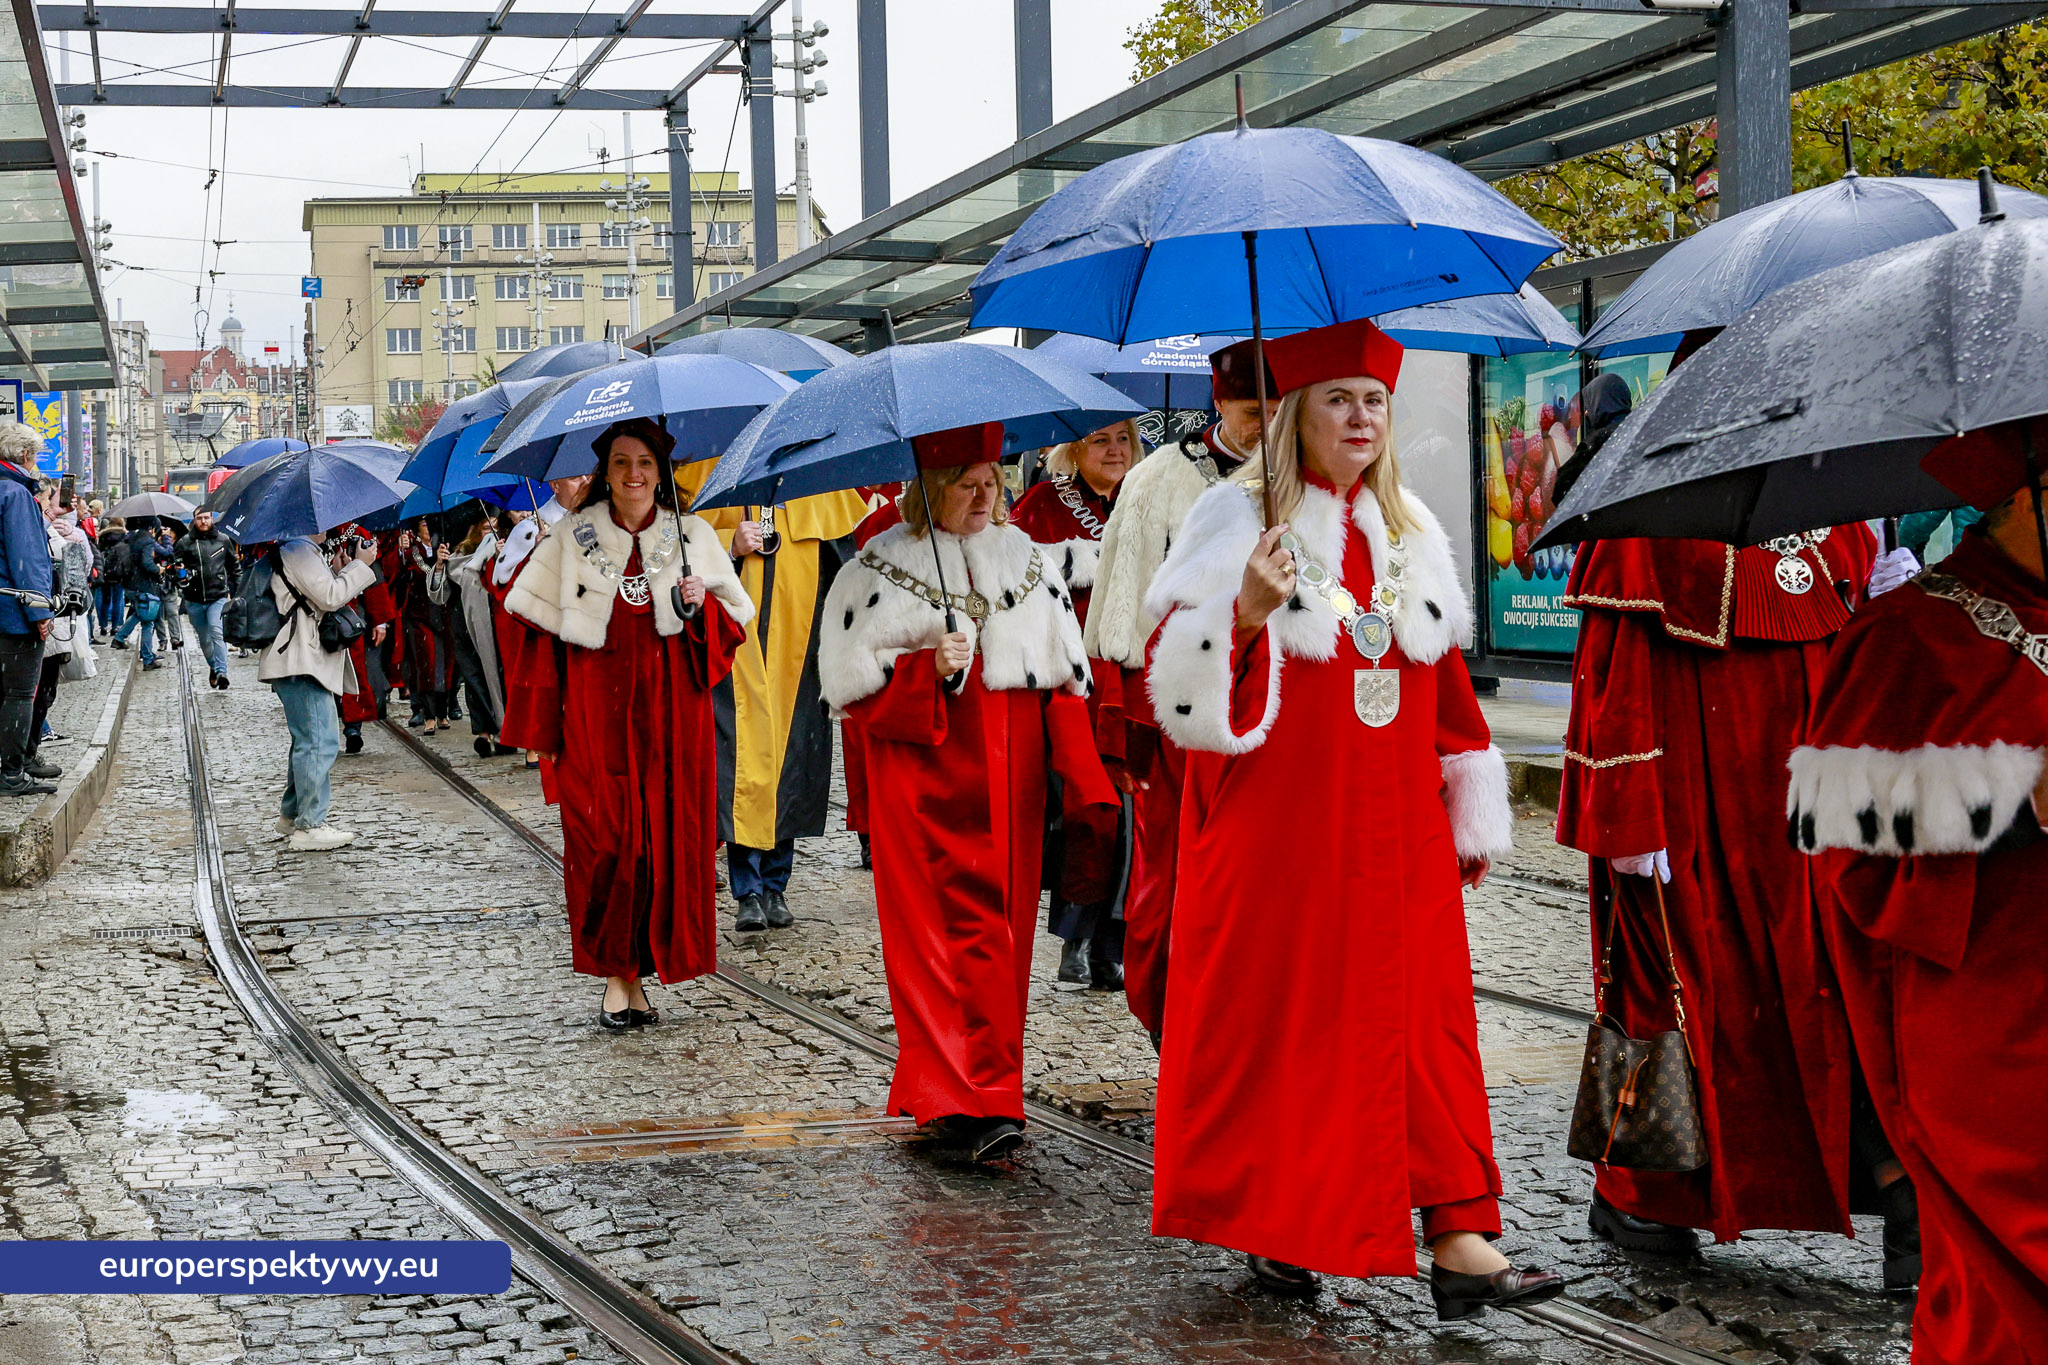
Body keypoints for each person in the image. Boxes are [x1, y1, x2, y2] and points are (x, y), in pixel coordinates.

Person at [1144, 320, 1557, 1315]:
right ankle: (1282, 1220)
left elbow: (1443, 680)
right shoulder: (1230, 521)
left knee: (1425, 1033)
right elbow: (1181, 703)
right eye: (1338, 398)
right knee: (1295, 1031)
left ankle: (1460, 1234)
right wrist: (1238, 614)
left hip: (1397, 834)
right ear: (1293, 412)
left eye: (1373, 400)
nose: (1362, 416)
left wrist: (1468, 795)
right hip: (1283, 837)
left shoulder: (1408, 526)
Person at [1554, 346, 1923, 1272]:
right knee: (1677, 991)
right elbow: (1617, 675)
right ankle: (1654, 1191)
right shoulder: (1661, 505)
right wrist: (1629, 813)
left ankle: (1884, 1180)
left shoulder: (1826, 505)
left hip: (1784, 801)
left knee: (1811, 990)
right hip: (1695, 799)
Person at [1789, 418, 2048, 1363]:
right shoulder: (1907, 634)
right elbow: (1832, 821)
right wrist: (2010, 794)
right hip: (1990, 1029)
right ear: (2025, 496)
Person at [819, 422, 1117, 1165]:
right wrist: (923, 667)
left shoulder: (1026, 559)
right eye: (967, 483)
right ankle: (953, 1096)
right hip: (918, 786)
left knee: (1001, 940)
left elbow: (1062, 677)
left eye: (993, 480)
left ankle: (991, 1093)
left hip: (1009, 786)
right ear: (931, 487)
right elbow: (849, 690)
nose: (985, 496)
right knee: (931, 946)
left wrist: (1089, 787)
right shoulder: (874, 569)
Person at [500, 418, 751, 1031]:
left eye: (644, 463)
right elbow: (539, 644)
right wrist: (544, 735)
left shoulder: (692, 537)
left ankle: (641, 974)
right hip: (596, 722)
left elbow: (728, 637)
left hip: (673, 725)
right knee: (610, 845)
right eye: (620, 463)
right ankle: (619, 975)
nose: (633, 475)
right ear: (604, 473)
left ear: (660, 471)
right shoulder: (567, 539)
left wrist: (700, 608)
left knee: (666, 845)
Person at [1082, 339, 1268, 1041]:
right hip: (1179, 719)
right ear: (1218, 401)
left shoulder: (1299, 479)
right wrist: (1124, 725)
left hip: (1269, 714)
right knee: (1175, 875)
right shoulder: (1159, 478)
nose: (1263, 425)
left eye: (1276, 409)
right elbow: (1123, 607)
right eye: (1251, 410)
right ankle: (1175, 1010)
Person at [678, 481, 867, 931]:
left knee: (791, 760)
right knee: (740, 761)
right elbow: (680, 565)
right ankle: (746, 889)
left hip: (799, 652)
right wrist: (730, 547)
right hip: (733, 652)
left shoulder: (818, 486)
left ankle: (777, 884)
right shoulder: (712, 480)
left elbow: (850, 575)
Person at [1010, 419, 1143, 988]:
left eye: (1123, 440)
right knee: (1087, 813)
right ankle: (1076, 935)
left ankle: (1111, 942)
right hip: (1073, 684)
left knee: (1135, 820)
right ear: (1076, 448)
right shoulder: (1043, 504)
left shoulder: (1145, 499)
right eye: (1101, 440)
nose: (1114, 451)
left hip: (1137, 682)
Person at [261, 527, 377, 851]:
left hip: (300, 658)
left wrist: (339, 571)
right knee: (318, 741)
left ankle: (292, 813)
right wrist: (360, 565)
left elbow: (319, 594)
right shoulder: (298, 549)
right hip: (301, 659)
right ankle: (310, 824)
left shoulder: (298, 549)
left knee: (308, 739)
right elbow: (329, 597)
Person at [0, 426, 59, 798]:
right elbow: (28, 559)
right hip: (13, 612)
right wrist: (40, 613)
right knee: (20, 694)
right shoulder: (16, 494)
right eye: (35, 456)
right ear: (25, 456)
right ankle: (11, 773)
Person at [430, 513, 510, 756]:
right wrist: (441, 565)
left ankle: (505, 728)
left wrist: (498, 557)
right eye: (486, 528)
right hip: (464, 621)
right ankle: (483, 732)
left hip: (496, 621)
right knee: (474, 678)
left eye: (494, 528)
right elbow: (439, 594)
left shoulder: (505, 551)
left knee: (498, 675)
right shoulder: (459, 555)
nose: (490, 533)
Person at [396, 521, 455, 734]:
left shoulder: (446, 544)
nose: (427, 528)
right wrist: (439, 566)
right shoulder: (413, 550)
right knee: (426, 663)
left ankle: (442, 711)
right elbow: (421, 569)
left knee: (445, 663)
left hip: (444, 613)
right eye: (423, 524)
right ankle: (428, 713)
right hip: (419, 613)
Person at [175, 507, 241, 689]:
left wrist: (238, 591)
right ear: (194, 520)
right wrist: (180, 573)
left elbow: (234, 567)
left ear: (212, 519)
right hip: (194, 598)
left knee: (216, 631)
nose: (203, 522)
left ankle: (222, 672)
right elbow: (176, 568)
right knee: (204, 639)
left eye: (206, 518)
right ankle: (214, 666)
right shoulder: (185, 542)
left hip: (217, 595)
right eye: (199, 518)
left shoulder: (223, 540)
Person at [109, 520, 164, 670]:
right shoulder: (146, 540)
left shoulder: (131, 537)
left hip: (130, 583)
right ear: (152, 527)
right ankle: (147, 659)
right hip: (143, 585)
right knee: (148, 620)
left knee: (140, 614)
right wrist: (157, 569)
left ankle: (119, 638)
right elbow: (147, 563)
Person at [95, 518, 130, 643]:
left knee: (105, 601)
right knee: (118, 600)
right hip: (119, 573)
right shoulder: (124, 536)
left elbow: (99, 553)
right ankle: (115, 627)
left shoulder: (103, 536)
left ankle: (103, 626)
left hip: (105, 572)